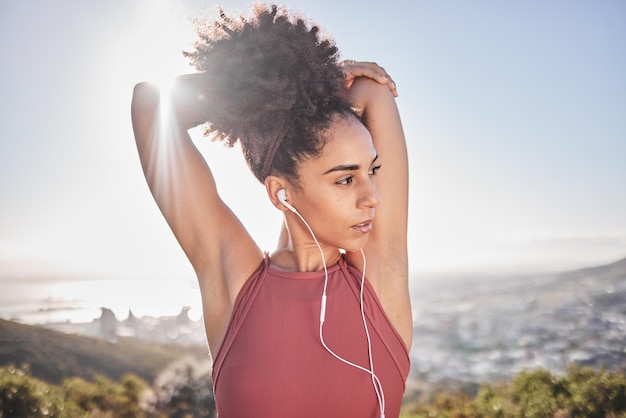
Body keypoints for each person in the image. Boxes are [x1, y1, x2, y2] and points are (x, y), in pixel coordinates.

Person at [131, 4, 411, 417]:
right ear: (281, 192)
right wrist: (275, 89)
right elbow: (151, 104)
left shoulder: (380, 275)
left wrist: (313, 85)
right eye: (345, 178)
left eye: (373, 171)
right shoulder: (236, 285)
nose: (373, 197)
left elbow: (373, 92)